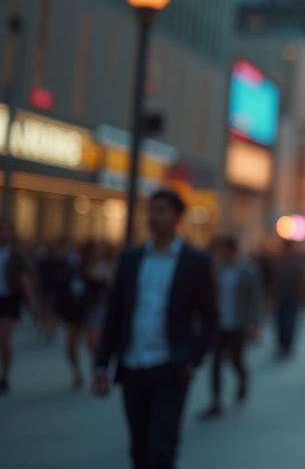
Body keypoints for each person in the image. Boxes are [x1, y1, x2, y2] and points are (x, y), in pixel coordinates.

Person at [93, 189, 218, 469]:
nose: (154, 216)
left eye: (162, 210)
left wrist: (193, 358)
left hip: (171, 366)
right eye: (151, 210)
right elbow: (115, 315)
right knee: (138, 449)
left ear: (178, 217)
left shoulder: (195, 262)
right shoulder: (131, 259)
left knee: (161, 450)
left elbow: (210, 317)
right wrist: (102, 365)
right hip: (133, 364)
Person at [200, 236, 262, 419]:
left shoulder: (247, 271)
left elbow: (255, 299)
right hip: (219, 325)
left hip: (238, 324)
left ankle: (243, 379)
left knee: (236, 359)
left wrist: (253, 323)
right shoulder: (215, 270)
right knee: (216, 362)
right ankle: (216, 401)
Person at [58, 241, 111, 389]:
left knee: (93, 343)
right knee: (71, 344)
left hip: (95, 307)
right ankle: (77, 373)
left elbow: (110, 289)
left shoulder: (106, 267)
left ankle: (96, 372)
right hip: (77, 309)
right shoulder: (77, 267)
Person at [0, 218, 39, 394]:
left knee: (3, 337)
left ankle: (5, 375)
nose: (4, 233)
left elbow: (25, 279)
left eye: (7, 230)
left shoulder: (16, 254)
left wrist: (32, 302)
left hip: (9, 299)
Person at [271, 240, 305, 360]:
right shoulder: (278, 263)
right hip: (281, 297)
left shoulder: (297, 264)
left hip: (292, 297)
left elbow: (300, 281)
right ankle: (282, 344)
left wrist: (303, 297)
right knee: (280, 322)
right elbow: (274, 281)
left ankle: (287, 345)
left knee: (290, 323)